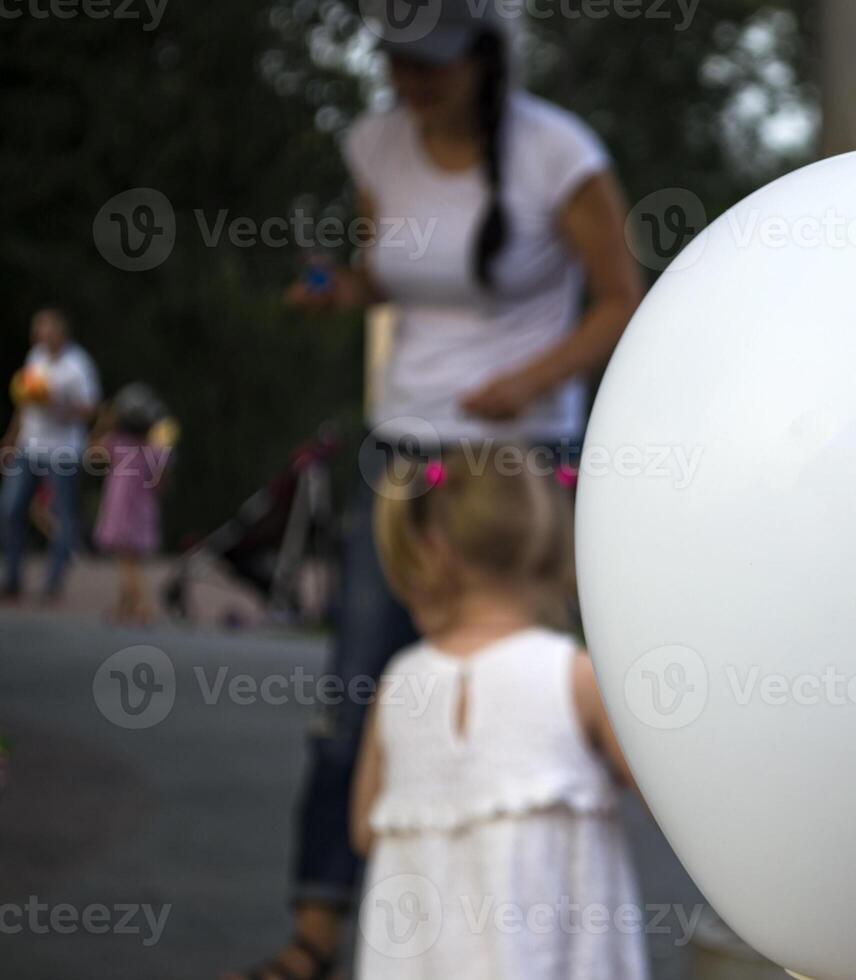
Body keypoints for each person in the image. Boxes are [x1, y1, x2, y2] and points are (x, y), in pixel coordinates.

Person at [232, 2, 644, 975]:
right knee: (362, 689)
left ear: (484, 59)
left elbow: (619, 297)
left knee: (538, 684)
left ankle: (546, 922)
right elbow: (393, 270)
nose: (414, 83)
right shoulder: (375, 142)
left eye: (434, 64)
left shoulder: (558, 152)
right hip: (406, 449)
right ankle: (320, 925)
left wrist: (531, 379)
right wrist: (342, 287)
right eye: (400, 62)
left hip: (519, 459)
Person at [351, 448, 647, 980]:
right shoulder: (573, 676)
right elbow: (664, 797)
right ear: (552, 543)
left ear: (432, 546)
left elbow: (363, 829)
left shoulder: (399, 684)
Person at [1, 307, 101, 602]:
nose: (40, 333)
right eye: (38, 328)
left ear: (61, 331)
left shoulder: (78, 365)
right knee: (11, 509)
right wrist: (11, 438)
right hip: (29, 447)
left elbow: (90, 410)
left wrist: (55, 402)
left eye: (46, 328)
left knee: (62, 517)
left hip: (63, 452)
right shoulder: (36, 356)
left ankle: (53, 581)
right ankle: (13, 578)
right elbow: (23, 403)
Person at [91, 383, 175, 624]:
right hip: (144, 511)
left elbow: (92, 453)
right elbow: (164, 481)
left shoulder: (116, 442)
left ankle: (142, 605)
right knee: (132, 560)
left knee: (127, 562)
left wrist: (103, 422)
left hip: (120, 510)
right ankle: (123, 608)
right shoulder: (155, 450)